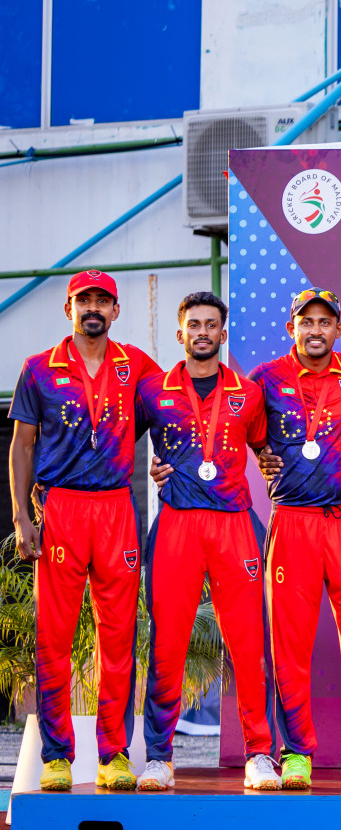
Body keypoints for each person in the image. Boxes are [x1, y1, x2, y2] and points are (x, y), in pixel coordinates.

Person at [8, 270, 159, 791]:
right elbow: (22, 445)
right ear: (68, 309)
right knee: (55, 637)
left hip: (117, 507)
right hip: (63, 508)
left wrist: (169, 461)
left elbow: (175, 410)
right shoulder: (38, 368)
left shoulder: (136, 364)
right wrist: (22, 517)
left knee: (118, 638)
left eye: (103, 300)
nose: (93, 308)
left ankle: (114, 754)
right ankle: (56, 757)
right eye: (83, 300)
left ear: (116, 310)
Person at [137, 292, 276, 791]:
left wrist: (270, 465)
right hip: (176, 523)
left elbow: (263, 447)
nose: (201, 332)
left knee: (247, 643)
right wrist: (151, 468)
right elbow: (115, 444)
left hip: (234, 524)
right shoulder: (153, 390)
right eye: (193, 323)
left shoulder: (249, 392)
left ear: (222, 333)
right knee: (167, 643)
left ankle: (259, 753)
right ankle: (158, 757)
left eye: (210, 324)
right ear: (180, 334)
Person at [248, 289, 341, 790]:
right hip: (293, 521)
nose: (316, 330)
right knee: (290, 642)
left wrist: (335, 460)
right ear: (292, 328)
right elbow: (237, 425)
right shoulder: (265, 377)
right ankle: (298, 752)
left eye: (326, 321)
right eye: (307, 322)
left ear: (339, 329)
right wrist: (264, 454)